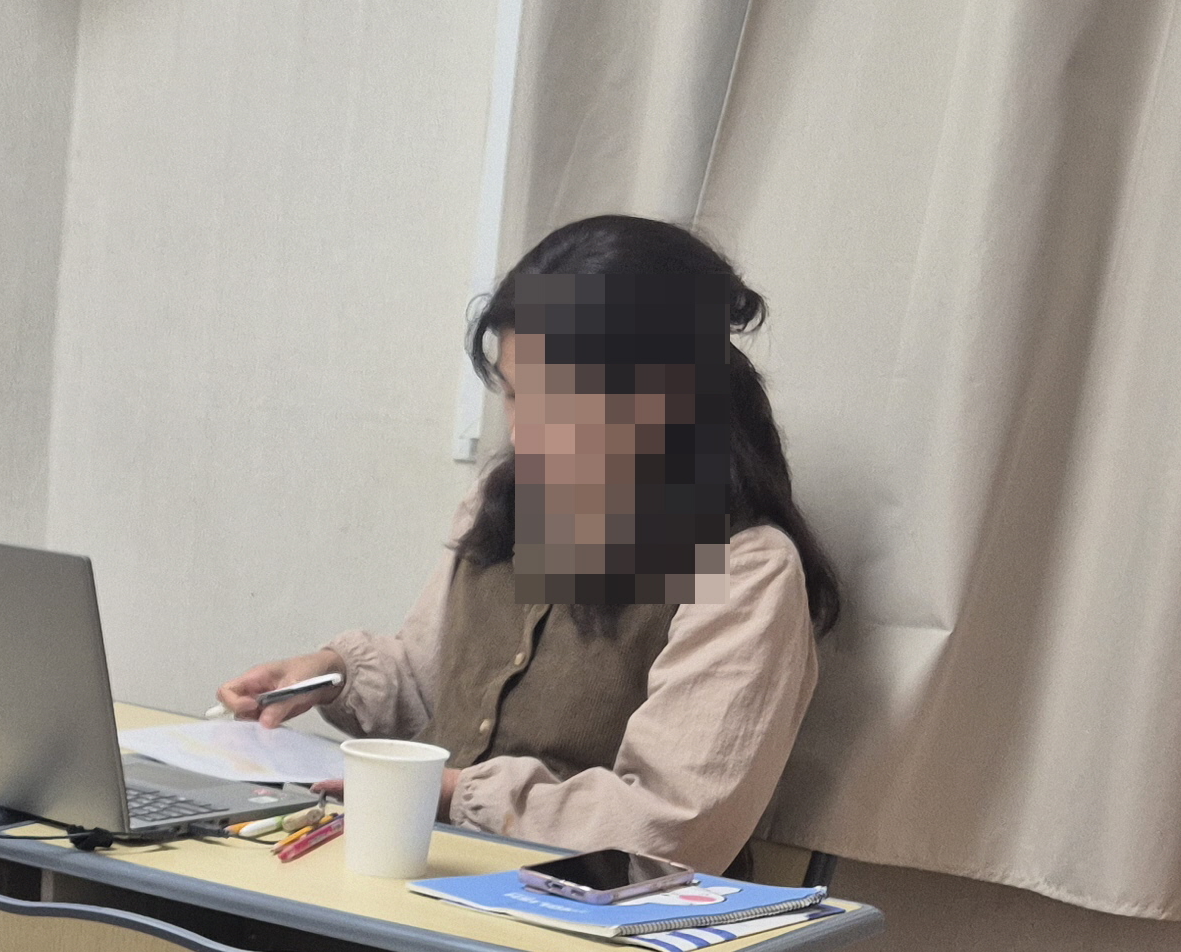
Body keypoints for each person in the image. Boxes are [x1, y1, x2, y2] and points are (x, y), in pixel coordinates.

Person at [219, 214, 845, 876]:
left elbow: (670, 827)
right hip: (431, 876)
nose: (524, 435)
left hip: (584, 919)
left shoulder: (743, 566)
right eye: (516, 395)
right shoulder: (511, 504)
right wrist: (329, 675)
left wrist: (455, 794)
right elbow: (435, 691)